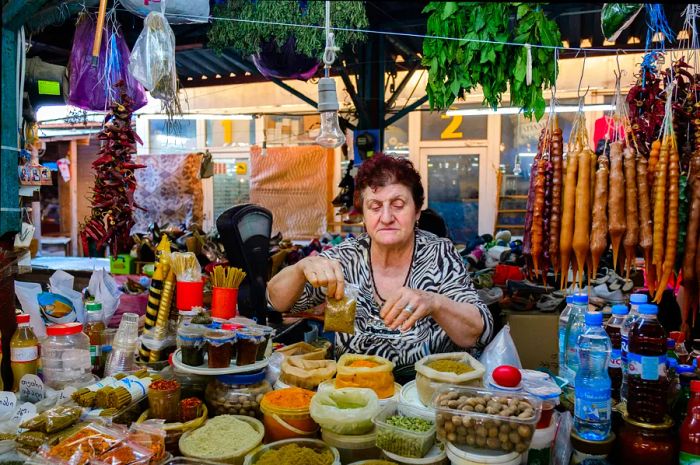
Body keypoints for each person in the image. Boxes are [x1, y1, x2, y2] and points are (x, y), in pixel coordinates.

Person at [267, 154, 494, 382]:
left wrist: (434, 302)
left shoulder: (439, 254)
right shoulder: (347, 256)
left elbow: (477, 333)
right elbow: (275, 301)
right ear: (364, 216)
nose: (386, 217)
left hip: (426, 391)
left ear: (416, 212)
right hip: (355, 389)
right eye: (375, 207)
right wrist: (300, 268)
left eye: (398, 205)